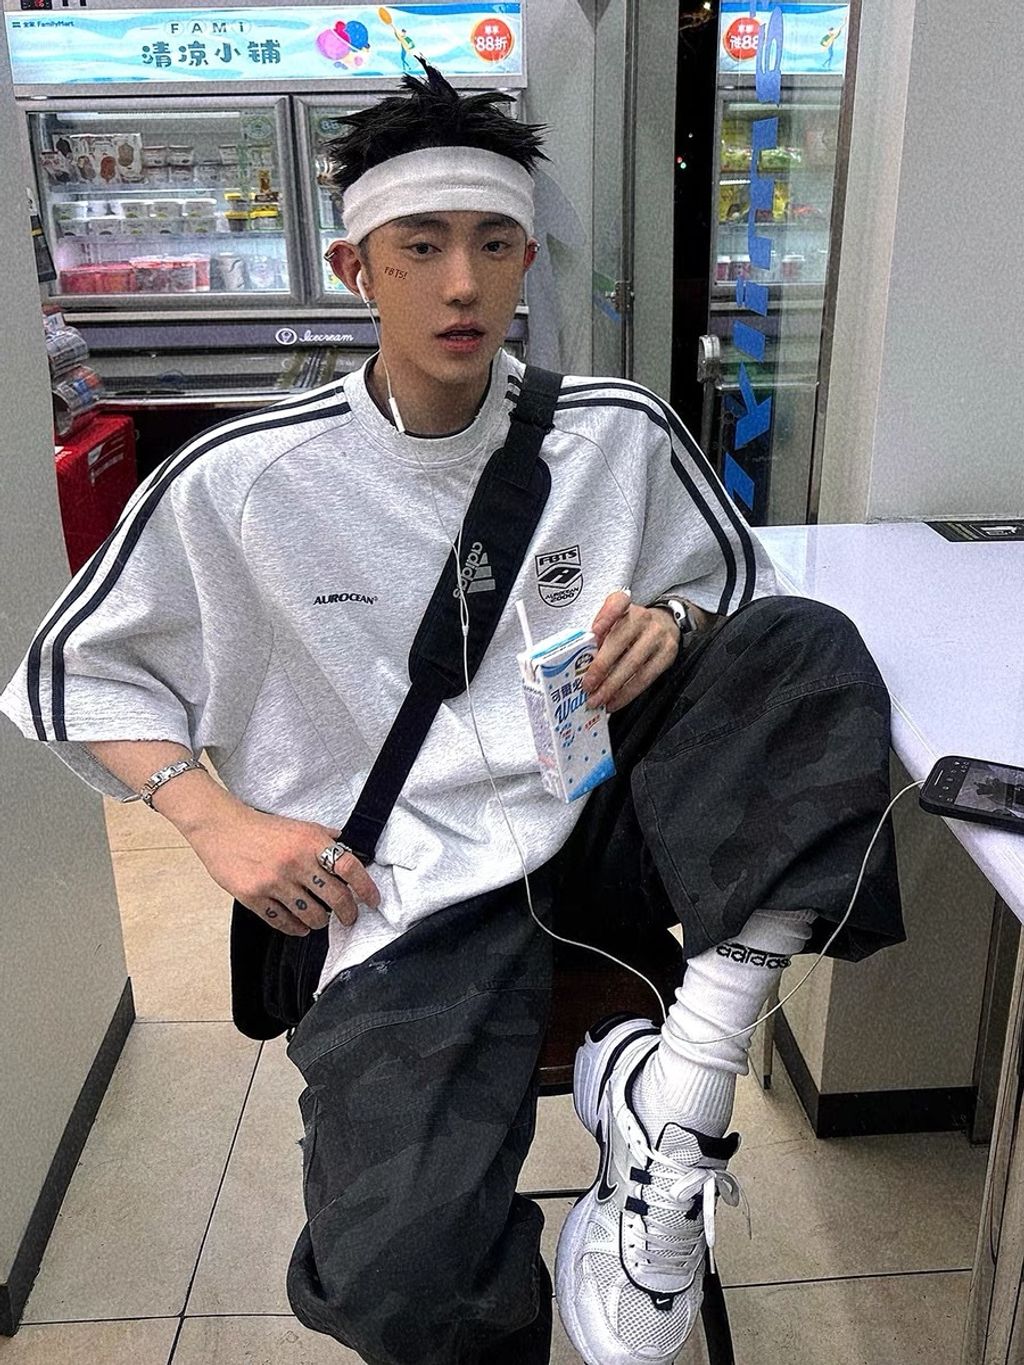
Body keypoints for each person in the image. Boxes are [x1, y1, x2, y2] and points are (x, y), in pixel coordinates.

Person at [0, 64, 904, 1365]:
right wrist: (212, 820)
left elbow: (743, 594)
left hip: (598, 827)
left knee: (805, 646)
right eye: (420, 247)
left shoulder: (617, 435)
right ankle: (593, 1146)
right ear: (355, 266)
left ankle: (680, 1093)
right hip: (400, 891)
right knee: (404, 1281)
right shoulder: (243, 481)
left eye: (492, 244)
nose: (462, 285)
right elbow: (75, 671)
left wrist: (677, 621)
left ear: (528, 259)